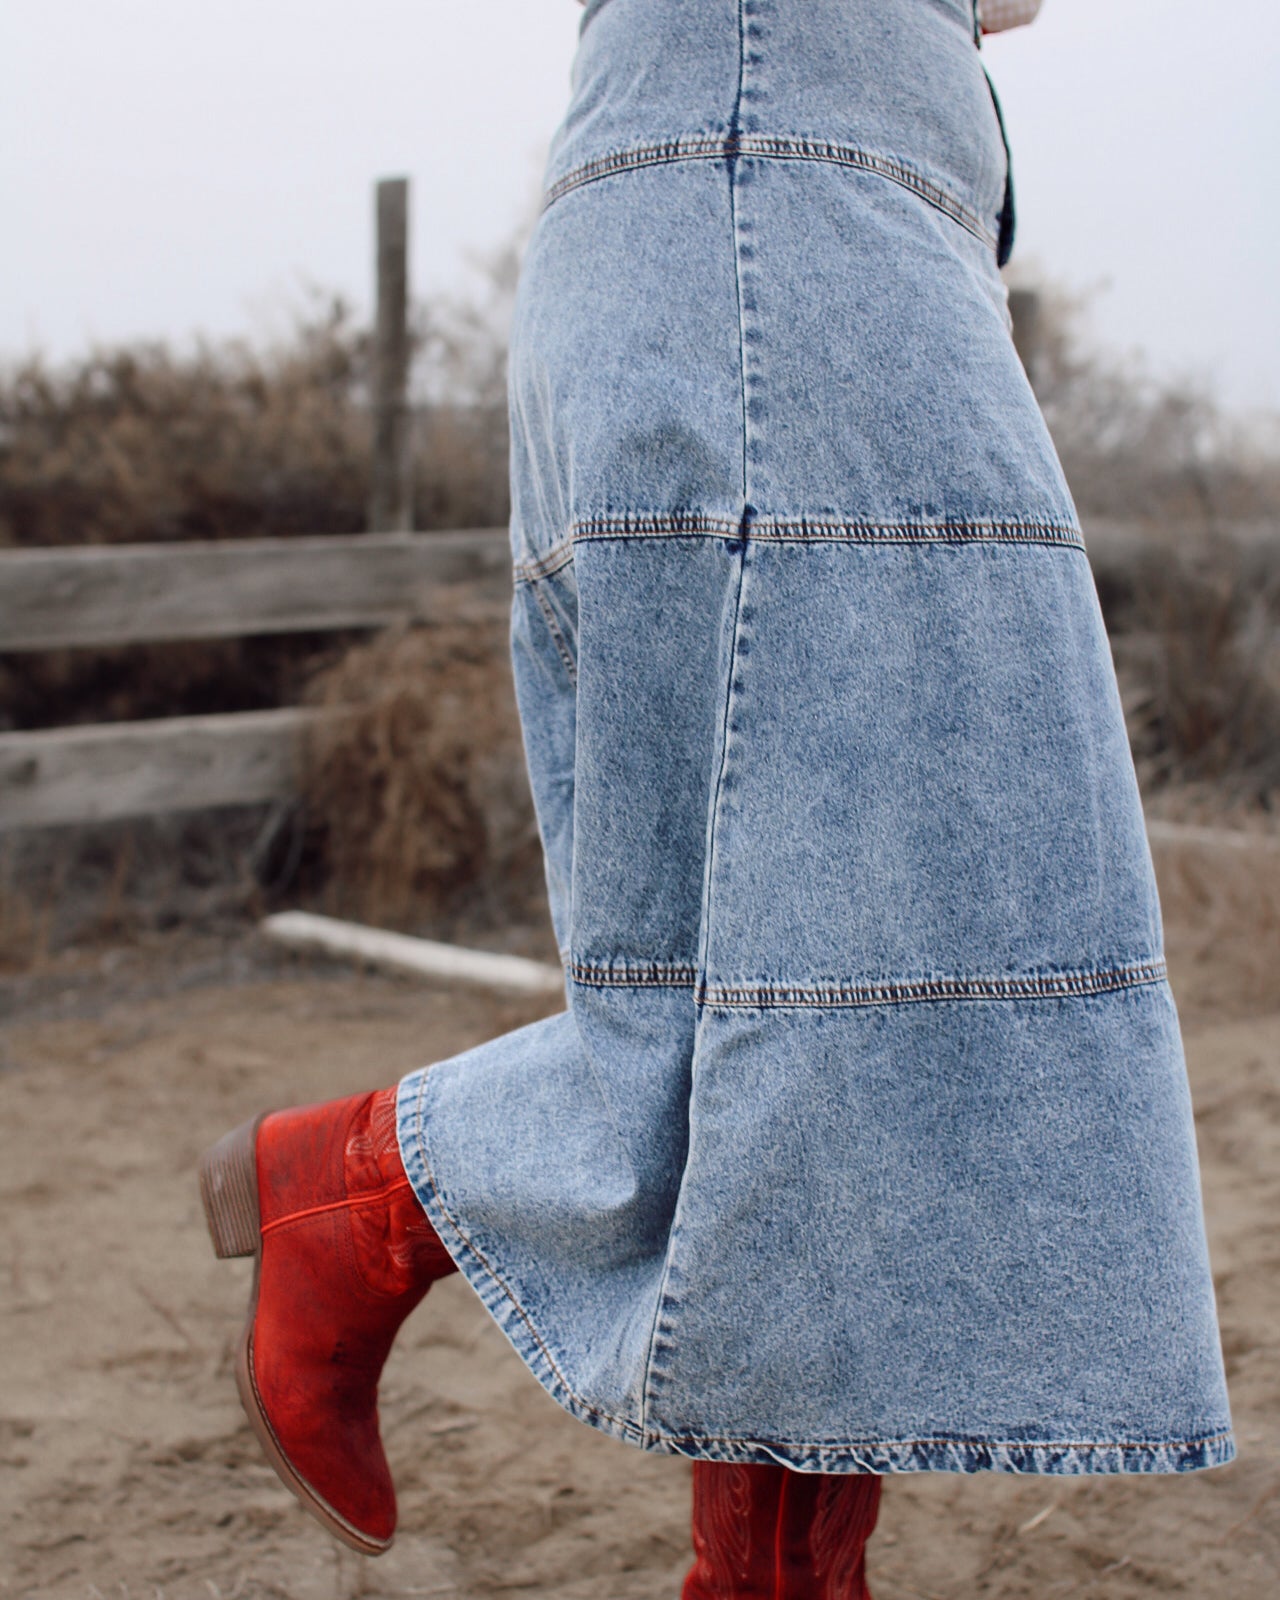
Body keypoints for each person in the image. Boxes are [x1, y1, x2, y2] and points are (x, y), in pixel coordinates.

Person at [200, 2, 1234, 1592]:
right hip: (783, 222)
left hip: (800, 215)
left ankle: (754, 1557)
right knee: (871, 991)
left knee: (837, 1016)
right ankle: (365, 1193)